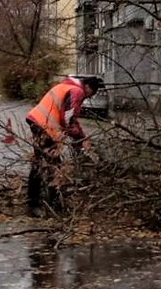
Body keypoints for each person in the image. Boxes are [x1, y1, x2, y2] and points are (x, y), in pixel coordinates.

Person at [23, 75, 104, 217]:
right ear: (88, 88)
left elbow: (70, 119)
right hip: (45, 127)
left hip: (38, 122)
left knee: (43, 164)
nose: (88, 98)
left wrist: (82, 137)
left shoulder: (66, 86)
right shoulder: (77, 92)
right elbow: (69, 120)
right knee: (51, 166)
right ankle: (44, 205)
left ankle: (45, 203)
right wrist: (79, 139)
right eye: (91, 94)